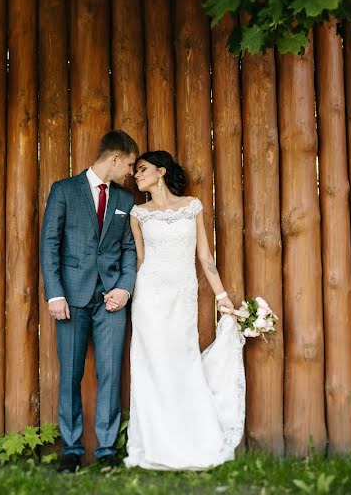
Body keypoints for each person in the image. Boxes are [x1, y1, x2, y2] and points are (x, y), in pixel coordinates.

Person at [124, 150, 246, 471]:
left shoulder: (191, 207)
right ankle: (154, 442)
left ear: (161, 171)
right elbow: (139, 260)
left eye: (142, 169)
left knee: (182, 360)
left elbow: (205, 257)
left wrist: (222, 296)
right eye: (136, 171)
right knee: (151, 366)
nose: (137, 176)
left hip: (182, 297)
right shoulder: (138, 213)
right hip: (148, 298)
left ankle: (190, 437)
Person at [39, 130, 139, 473]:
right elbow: (49, 244)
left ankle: (108, 449)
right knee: (70, 375)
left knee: (111, 373)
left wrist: (125, 288)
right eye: (128, 164)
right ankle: (71, 449)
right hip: (71, 299)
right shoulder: (64, 191)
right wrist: (55, 293)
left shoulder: (126, 201)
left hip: (111, 300)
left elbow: (129, 250)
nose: (130, 172)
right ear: (113, 158)